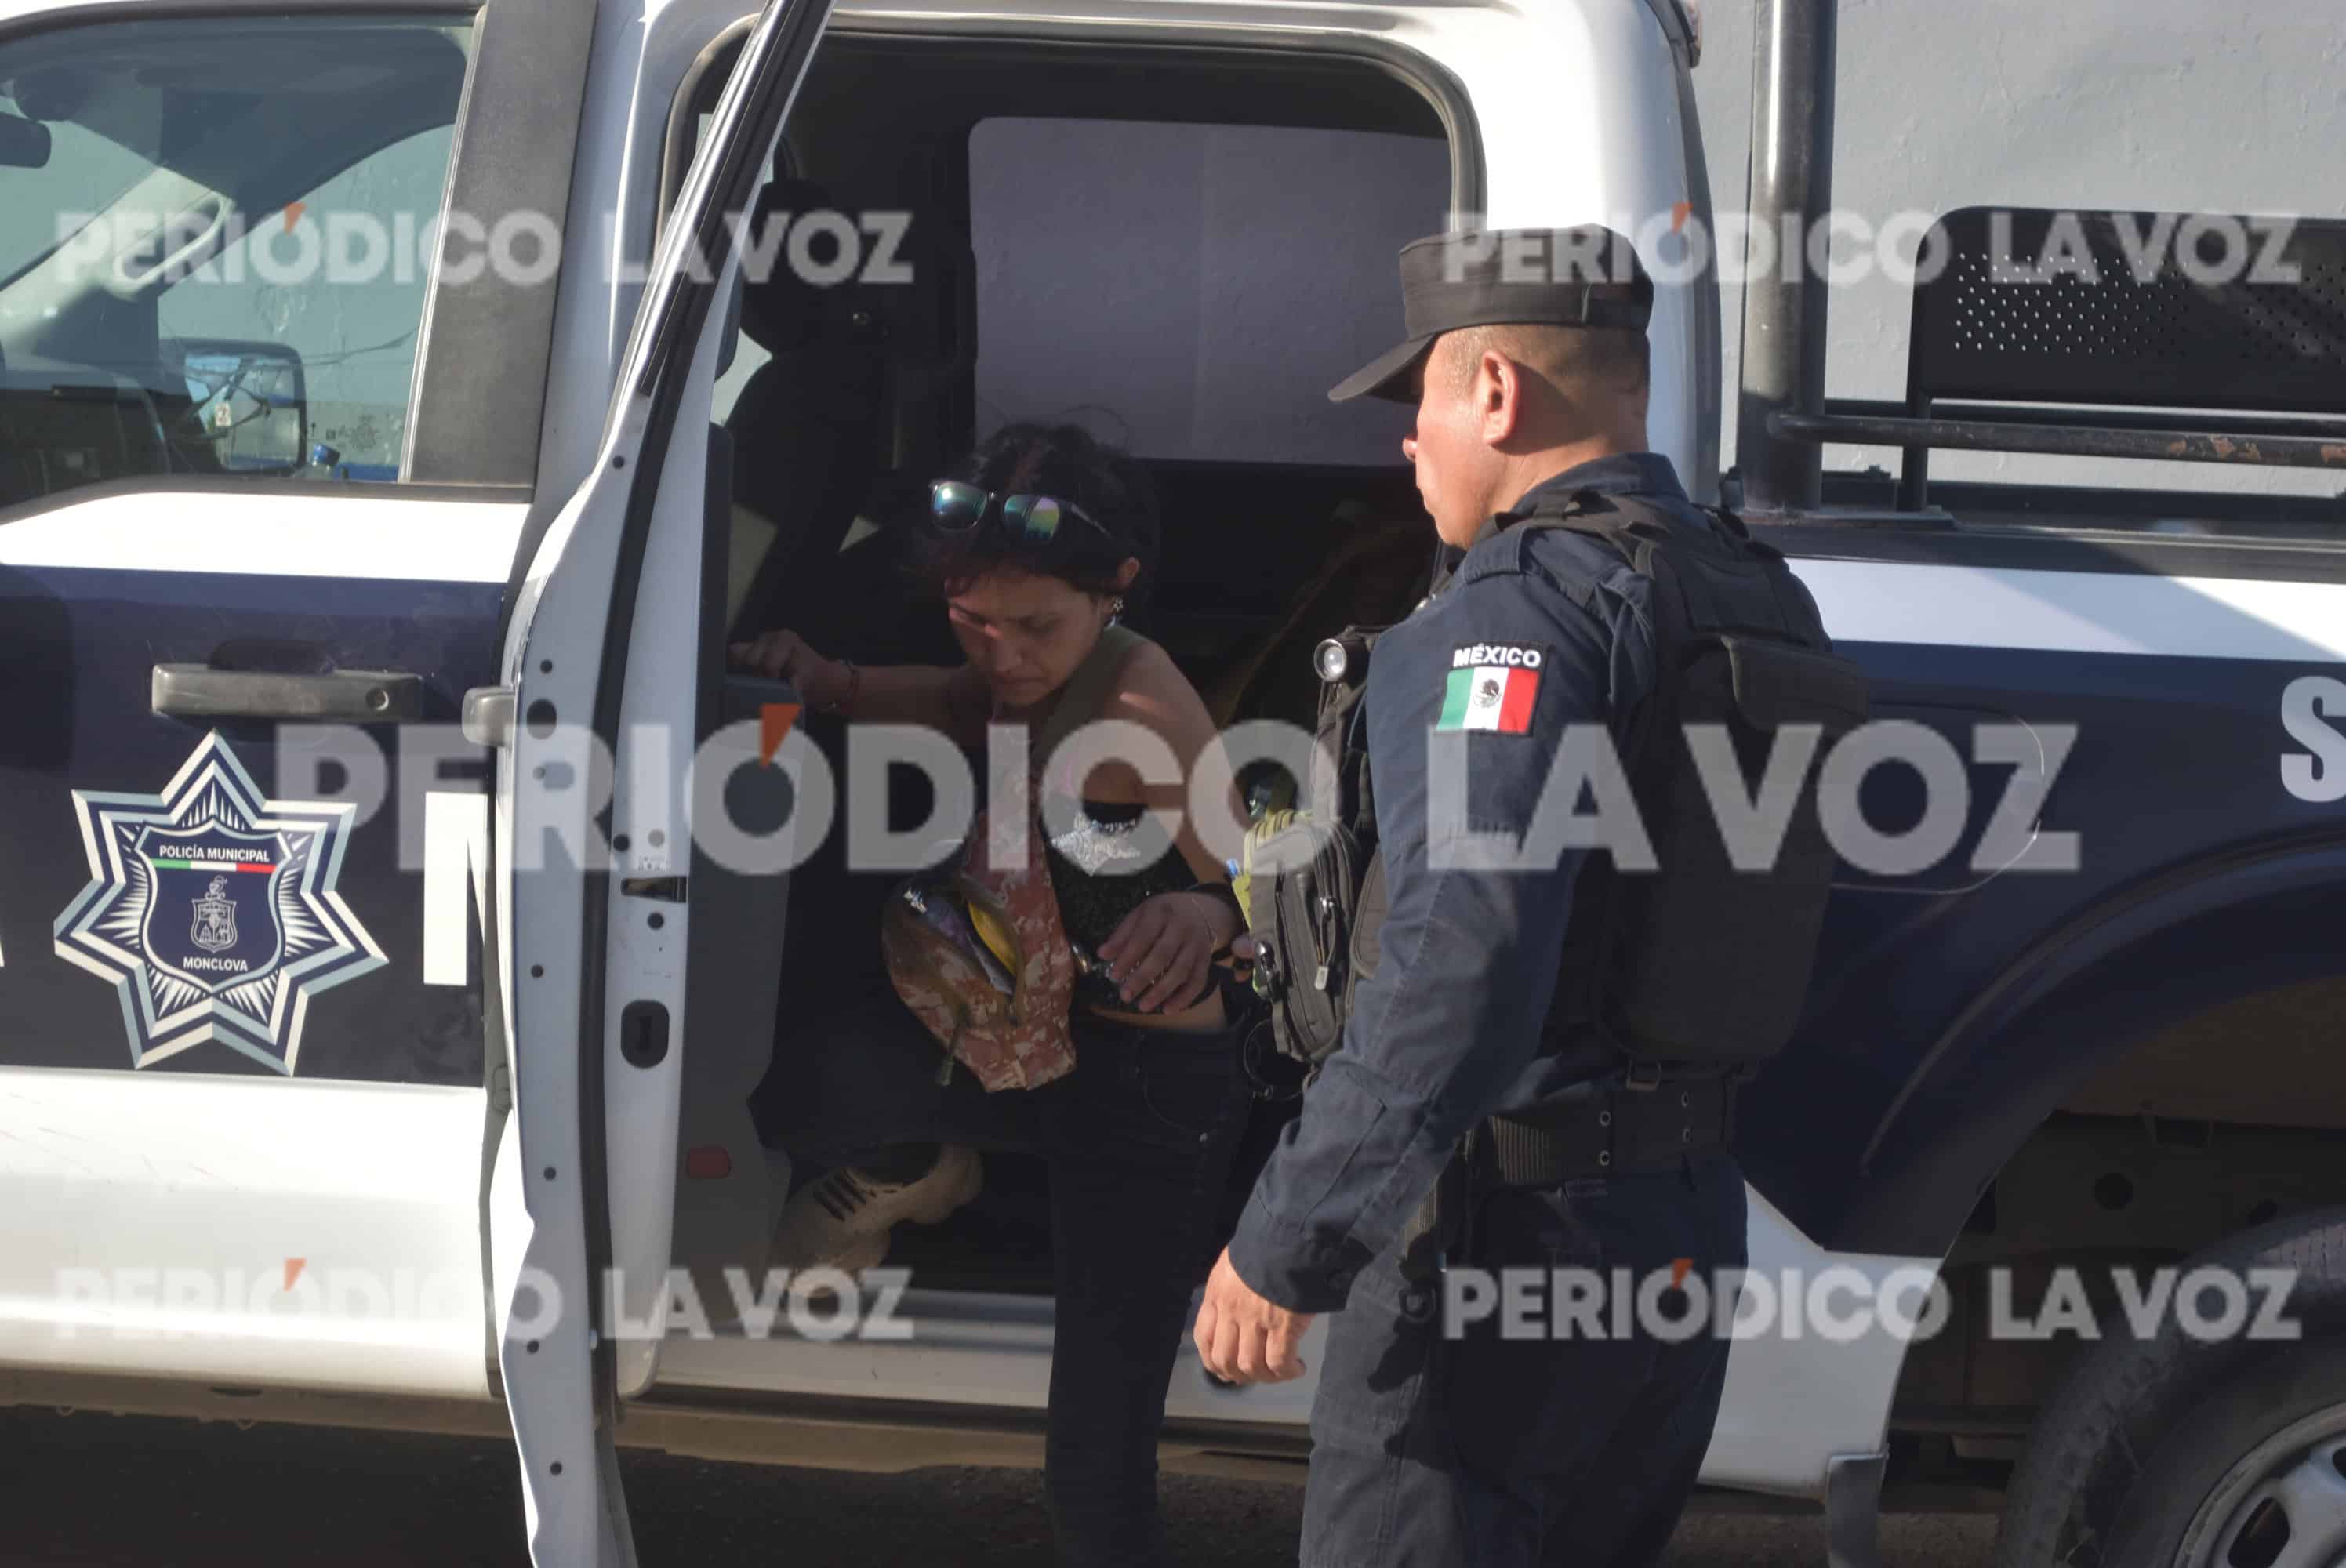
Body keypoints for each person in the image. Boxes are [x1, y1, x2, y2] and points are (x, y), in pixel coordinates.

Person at [1192, 228, 1762, 1565]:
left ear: (1496, 393)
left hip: (1504, 1248)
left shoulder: (1510, 617)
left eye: (1423, 405)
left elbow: (1462, 957)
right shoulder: (1735, 585)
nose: (1409, 448)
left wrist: (1293, 1234)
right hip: (1675, 1229)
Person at [729, 421, 1255, 1568]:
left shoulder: (1143, 714)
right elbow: (962, 699)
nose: (1004, 650)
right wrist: (831, 683)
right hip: (1022, 1044)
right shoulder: (1012, 671)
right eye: (975, 619)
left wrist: (1221, 913)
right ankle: (921, 1168)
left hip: (1151, 1102)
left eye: (1034, 627)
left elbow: (1295, 869)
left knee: (1091, 1457)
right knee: (812, 1076)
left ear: (1115, 591)